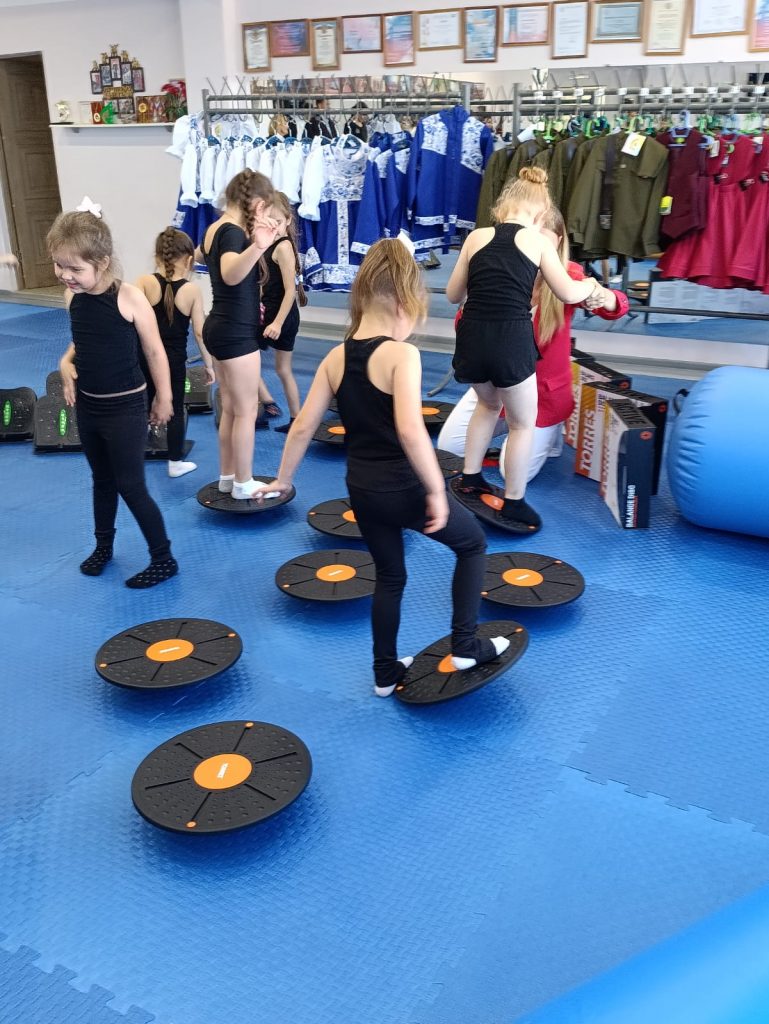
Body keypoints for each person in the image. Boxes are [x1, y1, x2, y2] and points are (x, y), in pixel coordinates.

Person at [254, 238, 510, 697]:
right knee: (472, 545)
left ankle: (385, 673)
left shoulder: (335, 357)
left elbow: (303, 426)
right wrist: (437, 490)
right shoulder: (402, 355)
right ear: (402, 303)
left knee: (390, 576)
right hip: (405, 488)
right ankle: (466, 645)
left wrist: (283, 481)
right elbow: (411, 431)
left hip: (362, 490)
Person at [445, 166, 609, 530]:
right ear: (540, 212)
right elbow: (568, 292)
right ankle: (514, 503)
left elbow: (454, 295)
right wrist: (592, 287)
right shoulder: (537, 242)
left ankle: (470, 478)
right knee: (521, 425)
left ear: (503, 206)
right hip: (511, 340)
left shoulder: (476, 238)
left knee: (488, 406)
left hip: (470, 336)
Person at [438, 206, 629, 480]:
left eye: (542, 241)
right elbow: (463, 321)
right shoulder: (496, 266)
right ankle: (517, 435)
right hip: (496, 382)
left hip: (541, 395)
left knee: (511, 472)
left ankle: (547, 433)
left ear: (558, 242)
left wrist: (604, 296)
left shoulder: (570, 276)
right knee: (449, 447)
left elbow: (617, 306)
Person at [49, 203, 178, 589]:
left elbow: (155, 351)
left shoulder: (129, 297)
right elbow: (83, 340)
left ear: (102, 262)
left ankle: (163, 558)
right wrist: (64, 362)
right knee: (101, 479)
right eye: (59, 266)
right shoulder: (73, 297)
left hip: (125, 407)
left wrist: (165, 397)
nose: (66, 276)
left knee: (130, 485)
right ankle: (103, 547)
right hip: (89, 405)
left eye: (75, 269)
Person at [200, 168, 279, 499]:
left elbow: (208, 262)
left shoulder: (215, 227)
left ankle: (228, 477)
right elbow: (230, 274)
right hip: (235, 333)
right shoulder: (232, 232)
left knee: (232, 408)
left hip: (219, 327)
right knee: (246, 410)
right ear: (258, 205)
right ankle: (244, 483)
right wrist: (259, 246)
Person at [135, 227, 214, 478]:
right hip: (173, 361)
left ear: (157, 256)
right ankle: (175, 462)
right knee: (176, 408)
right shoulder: (192, 291)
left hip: (144, 357)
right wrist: (209, 365)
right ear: (189, 260)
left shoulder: (144, 282)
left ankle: (131, 456)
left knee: (141, 404)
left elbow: (129, 319)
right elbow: (200, 332)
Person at [255, 191, 306, 434]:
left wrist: (276, 323)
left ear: (288, 219)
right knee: (276, 368)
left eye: (277, 220)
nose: (273, 225)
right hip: (270, 314)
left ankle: (274, 407)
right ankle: (276, 408)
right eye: (268, 220)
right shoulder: (270, 243)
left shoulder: (283, 247)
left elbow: (289, 292)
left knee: (246, 360)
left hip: (280, 317)